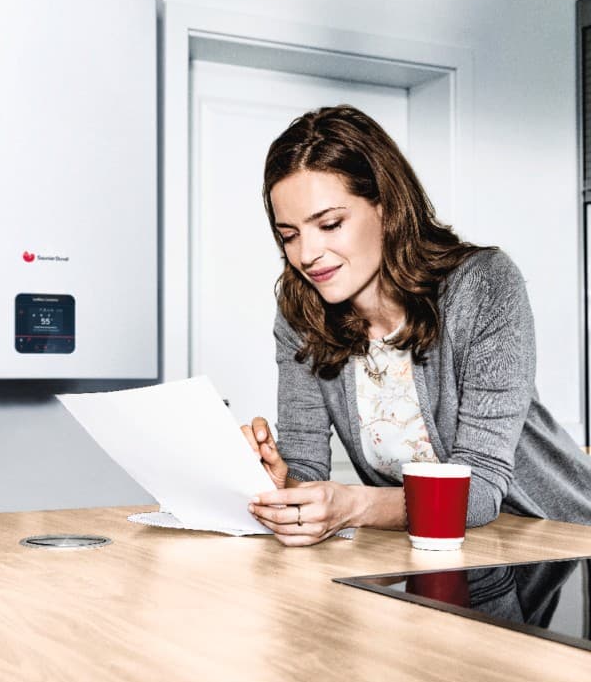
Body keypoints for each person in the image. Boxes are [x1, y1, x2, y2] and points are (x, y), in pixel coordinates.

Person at [243, 104, 591, 546]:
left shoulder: (482, 285)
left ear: (386, 209)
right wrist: (281, 482)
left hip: (558, 545)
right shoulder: (301, 313)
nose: (306, 253)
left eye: (330, 224)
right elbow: (308, 471)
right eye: (289, 234)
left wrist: (354, 505)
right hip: (436, 551)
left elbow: (480, 490)